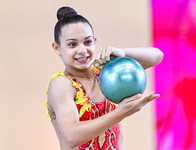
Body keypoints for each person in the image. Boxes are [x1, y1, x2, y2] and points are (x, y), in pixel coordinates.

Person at [45, 6, 164, 150]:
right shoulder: (62, 84)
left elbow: (157, 56)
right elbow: (72, 136)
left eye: (87, 42)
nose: (82, 50)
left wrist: (123, 53)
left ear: (94, 41)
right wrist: (121, 112)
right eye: (72, 44)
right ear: (57, 48)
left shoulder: (107, 74)